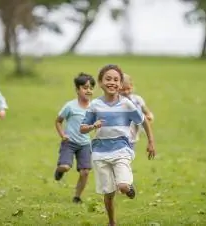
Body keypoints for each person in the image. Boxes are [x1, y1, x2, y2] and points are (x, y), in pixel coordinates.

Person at [80, 64, 156, 226]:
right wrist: (93, 126)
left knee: (121, 186)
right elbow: (82, 128)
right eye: (108, 79)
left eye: (116, 80)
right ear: (100, 82)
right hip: (100, 154)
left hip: (121, 150)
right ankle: (112, 222)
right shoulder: (95, 105)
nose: (112, 82)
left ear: (120, 85)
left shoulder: (127, 105)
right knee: (108, 193)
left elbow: (143, 122)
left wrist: (151, 142)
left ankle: (127, 188)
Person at [54, 73, 96, 204]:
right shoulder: (70, 106)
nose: (88, 90)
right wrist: (63, 135)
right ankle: (59, 170)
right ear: (77, 90)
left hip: (85, 144)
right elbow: (58, 121)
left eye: (91, 88)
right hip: (69, 142)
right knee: (66, 167)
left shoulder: (94, 107)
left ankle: (77, 197)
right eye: (85, 87)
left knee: (85, 172)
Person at [119, 73, 154, 150]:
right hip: (118, 139)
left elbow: (147, 112)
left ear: (132, 86)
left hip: (132, 138)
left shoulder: (137, 100)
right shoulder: (116, 102)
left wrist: (149, 117)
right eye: (122, 90)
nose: (126, 92)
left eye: (128, 89)